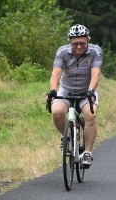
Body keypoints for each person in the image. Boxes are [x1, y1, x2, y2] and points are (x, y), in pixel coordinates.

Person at [46, 24, 103, 167]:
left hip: (87, 90)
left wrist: (91, 90)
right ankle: (68, 137)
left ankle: (88, 153)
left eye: (82, 43)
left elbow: (96, 73)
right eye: (75, 44)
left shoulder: (95, 51)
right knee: (57, 112)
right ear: (70, 42)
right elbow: (56, 72)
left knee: (90, 115)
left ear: (88, 41)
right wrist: (53, 89)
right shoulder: (62, 52)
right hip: (66, 89)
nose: (79, 46)